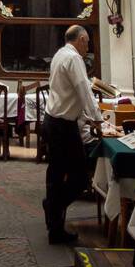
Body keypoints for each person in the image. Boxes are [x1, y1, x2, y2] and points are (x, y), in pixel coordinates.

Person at [41, 25, 103, 244]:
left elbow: (70, 94)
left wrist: (88, 118)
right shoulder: (75, 59)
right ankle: (53, 207)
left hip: (53, 121)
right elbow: (83, 91)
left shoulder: (60, 54)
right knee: (80, 178)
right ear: (82, 39)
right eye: (87, 43)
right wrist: (97, 119)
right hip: (63, 126)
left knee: (56, 173)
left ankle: (55, 224)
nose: (88, 47)